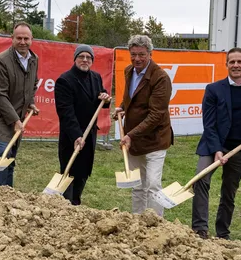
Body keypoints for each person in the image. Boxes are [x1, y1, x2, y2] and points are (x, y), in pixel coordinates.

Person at [191, 47, 241, 240]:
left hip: (239, 148)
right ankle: (200, 230)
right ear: (226, 65)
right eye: (232, 62)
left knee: (229, 191)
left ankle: (222, 233)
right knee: (201, 180)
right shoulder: (213, 89)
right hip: (213, 144)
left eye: (239, 62)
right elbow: (208, 125)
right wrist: (217, 150)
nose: (235, 65)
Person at [113, 35, 173, 216]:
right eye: (133, 54)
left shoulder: (160, 77)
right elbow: (130, 97)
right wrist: (122, 108)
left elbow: (156, 114)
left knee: (153, 184)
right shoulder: (129, 71)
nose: (137, 59)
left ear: (150, 54)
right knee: (138, 185)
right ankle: (137, 221)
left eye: (141, 54)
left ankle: (156, 225)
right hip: (135, 139)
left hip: (155, 139)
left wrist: (130, 135)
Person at [0, 22, 40, 187]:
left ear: (31, 39)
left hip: (17, 116)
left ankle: (7, 194)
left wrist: (31, 103)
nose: (23, 42)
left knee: (11, 157)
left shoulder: (33, 59)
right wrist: (15, 120)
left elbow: (32, 84)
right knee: (3, 154)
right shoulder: (1, 61)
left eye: (26, 38)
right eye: (19, 38)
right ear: (12, 39)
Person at [55, 44, 111, 205]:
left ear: (92, 60)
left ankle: (76, 202)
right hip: (71, 136)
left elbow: (101, 97)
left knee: (83, 172)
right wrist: (76, 135)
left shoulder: (96, 77)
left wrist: (106, 98)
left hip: (90, 134)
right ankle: (66, 206)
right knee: (70, 171)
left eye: (88, 57)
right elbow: (66, 112)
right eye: (81, 56)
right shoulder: (65, 80)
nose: (85, 60)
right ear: (75, 59)